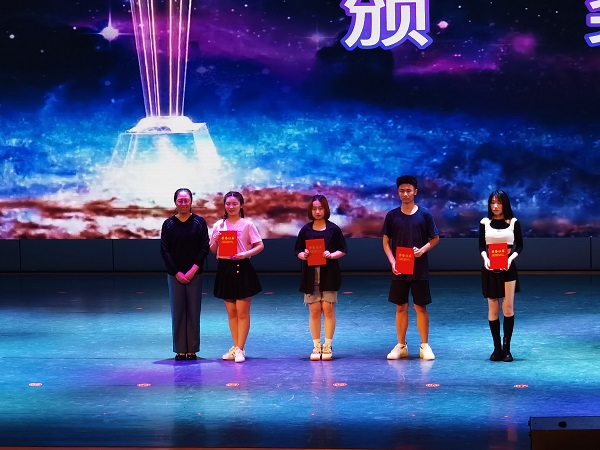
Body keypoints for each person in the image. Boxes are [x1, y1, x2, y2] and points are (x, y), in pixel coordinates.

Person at [382, 175, 440, 361]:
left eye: (408, 190)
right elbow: (386, 242)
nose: (405, 194)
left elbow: (435, 238)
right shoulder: (392, 216)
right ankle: (401, 345)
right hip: (400, 269)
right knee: (401, 306)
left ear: (415, 191)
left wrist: (422, 250)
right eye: (402, 191)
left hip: (419, 269)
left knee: (420, 306)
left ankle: (425, 345)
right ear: (398, 192)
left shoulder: (424, 215)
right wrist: (393, 262)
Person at [210, 191, 264, 363]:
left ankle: (240, 348)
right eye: (228, 204)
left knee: (242, 312)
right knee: (231, 312)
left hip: (242, 267)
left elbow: (260, 245)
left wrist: (246, 254)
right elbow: (212, 249)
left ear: (241, 205)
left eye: (234, 204)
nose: (231, 207)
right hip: (224, 268)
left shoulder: (247, 224)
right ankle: (236, 346)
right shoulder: (219, 225)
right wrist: (215, 240)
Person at [295, 195, 347, 361]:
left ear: (325, 209)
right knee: (314, 310)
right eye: (314, 209)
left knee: (328, 309)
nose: (317, 211)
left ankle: (328, 345)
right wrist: (304, 255)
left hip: (329, 274)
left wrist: (331, 255)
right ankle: (316, 345)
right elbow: (298, 251)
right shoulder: (306, 230)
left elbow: (343, 249)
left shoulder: (333, 229)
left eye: (320, 208)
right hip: (311, 276)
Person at [160, 188, 210, 361]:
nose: (183, 203)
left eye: (186, 200)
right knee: (178, 312)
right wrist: (176, 272)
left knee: (194, 312)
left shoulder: (199, 222)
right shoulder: (168, 224)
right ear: (175, 202)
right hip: (175, 276)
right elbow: (164, 250)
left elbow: (204, 248)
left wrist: (193, 270)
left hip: (195, 274)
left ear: (191, 202)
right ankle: (180, 350)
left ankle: (193, 349)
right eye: (180, 200)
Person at [479, 190, 523, 362]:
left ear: (505, 204)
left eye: (499, 202)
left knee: (508, 308)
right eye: (492, 203)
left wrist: (510, 259)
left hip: (508, 269)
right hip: (490, 269)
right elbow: (481, 246)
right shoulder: (484, 222)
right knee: (493, 309)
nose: (495, 206)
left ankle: (507, 348)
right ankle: (496, 348)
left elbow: (519, 246)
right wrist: (486, 259)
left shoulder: (513, 222)